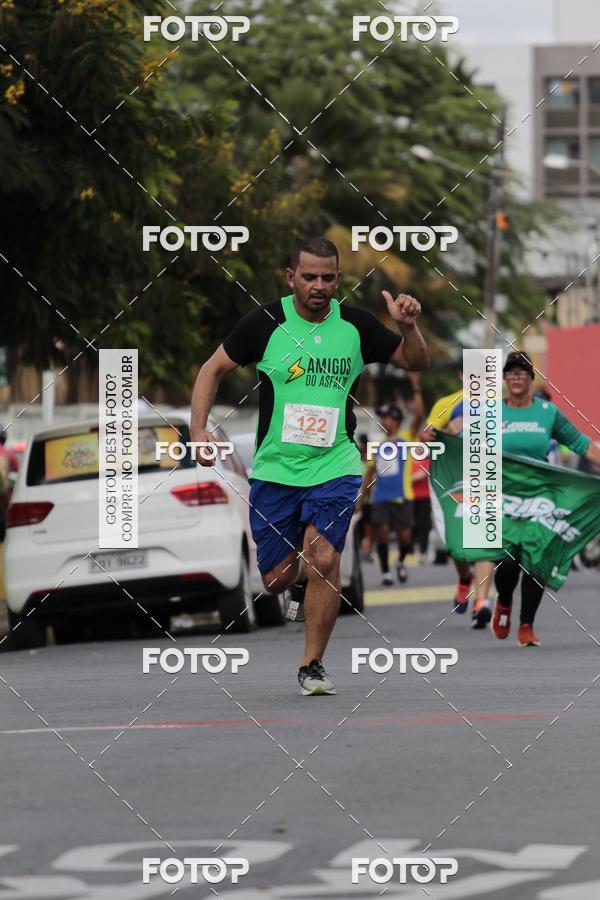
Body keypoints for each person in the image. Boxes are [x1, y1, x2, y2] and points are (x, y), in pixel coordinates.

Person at [190, 235, 429, 695]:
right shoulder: (264, 323)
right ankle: (300, 581)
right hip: (275, 469)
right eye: (309, 277)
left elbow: (416, 362)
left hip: (336, 463)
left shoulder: (356, 326)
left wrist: (408, 327)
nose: (318, 286)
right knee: (276, 579)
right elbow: (210, 370)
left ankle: (312, 664)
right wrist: (199, 429)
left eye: (327, 277)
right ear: (290, 277)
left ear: (338, 279)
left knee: (324, 556)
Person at [491, 351, 600, 646]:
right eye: (510, 373)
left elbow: (580, 444)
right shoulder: (489, 413)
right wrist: (436, 438)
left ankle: (526, 625)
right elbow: (462, 441)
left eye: (522, 373)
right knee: (508, 563)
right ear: (503, 379)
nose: (516, 378)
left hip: (540, 498)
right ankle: (503, 601)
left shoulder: (547, 413)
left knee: (536, 560)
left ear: (531, 378)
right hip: (501, 498)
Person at [368, 375, 424, 585]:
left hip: (402, 496)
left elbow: (419, 415)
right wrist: (362, 496)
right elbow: (370, 472)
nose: (383, 421)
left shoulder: (406, 437)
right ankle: (385, 572)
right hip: (380, 497)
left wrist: (416, 387)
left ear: (396, 420)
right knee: (381, 533)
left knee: (405, 537)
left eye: (387, 417)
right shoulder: (378, 444)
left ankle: (400, 561)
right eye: (381, 417)